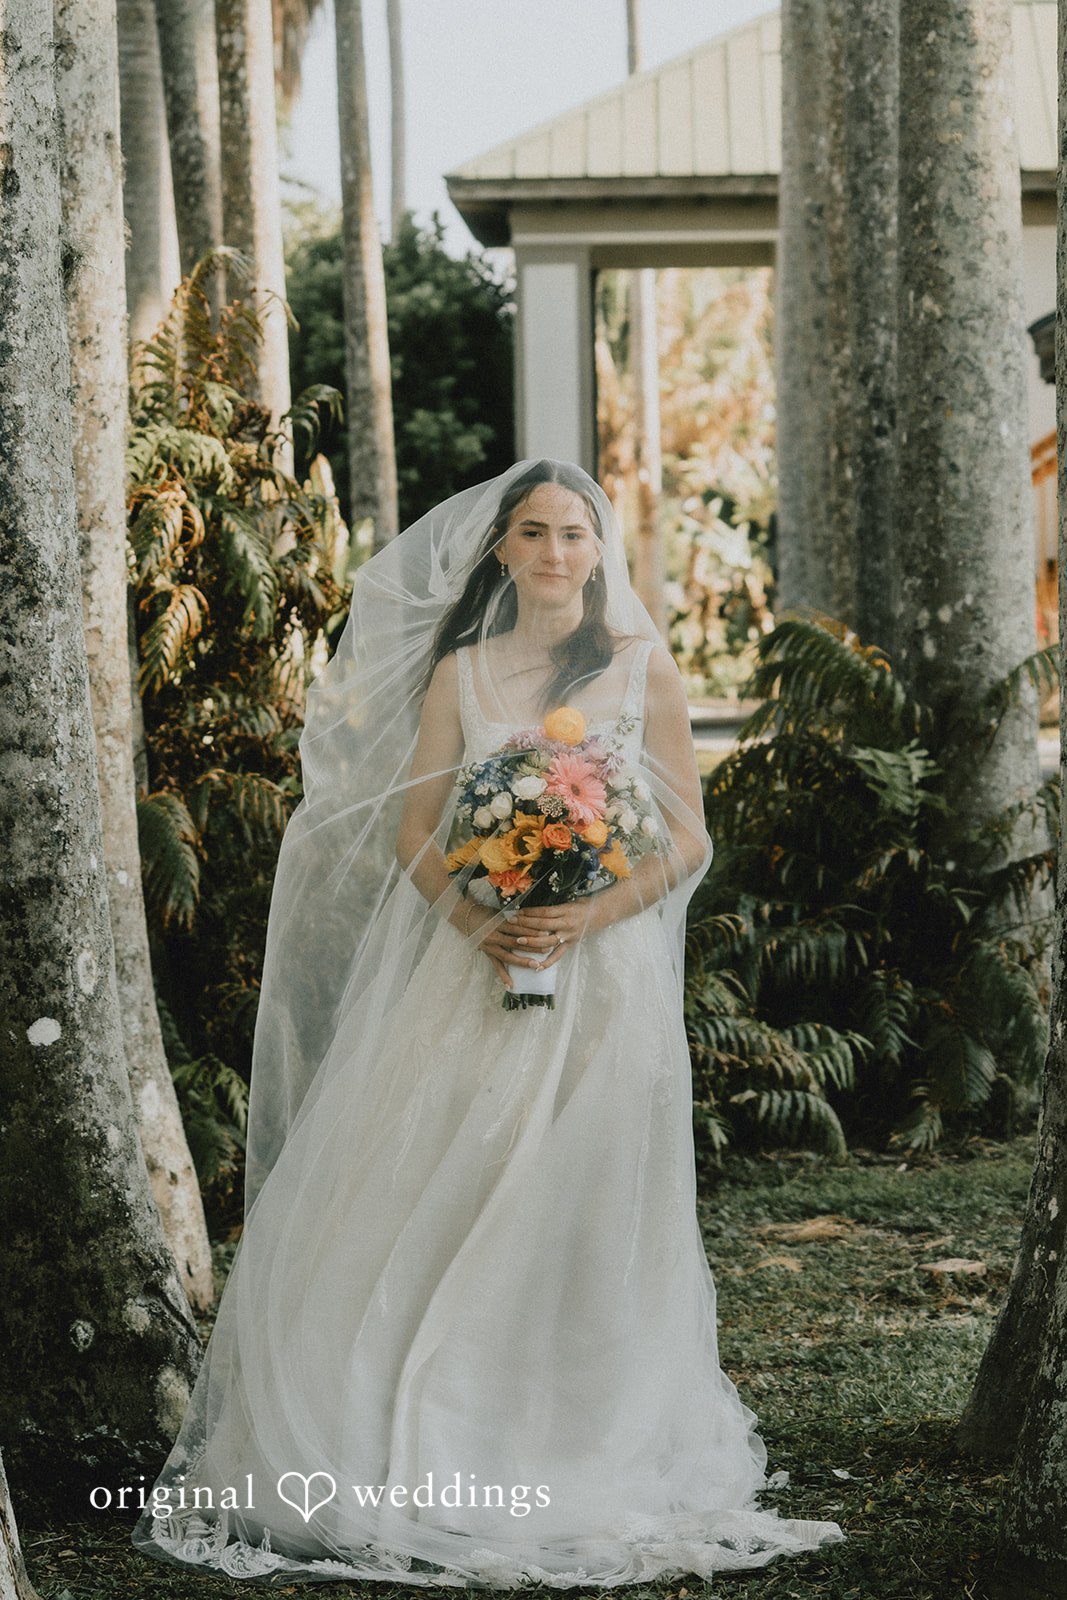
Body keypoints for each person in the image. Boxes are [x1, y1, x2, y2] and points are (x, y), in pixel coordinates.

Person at [131, 459, 846, 1587]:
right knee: (439, 1174)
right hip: (467, 971)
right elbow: (414, 828)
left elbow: (685, 839)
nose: (556, 550)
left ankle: (558, 1437)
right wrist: (481, 922)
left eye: (575, 531)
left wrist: (577, 916)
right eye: (533, 531)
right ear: (502, 551)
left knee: (574, 1192)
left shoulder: (638, 668)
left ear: (598, 551)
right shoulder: (460, 671)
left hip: (600, 980)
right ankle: (394, 1426)